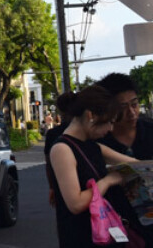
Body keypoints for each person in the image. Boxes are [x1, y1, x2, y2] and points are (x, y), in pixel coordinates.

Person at [49, 85, 141, 247]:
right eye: (109, 122)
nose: (110, 129)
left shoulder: (93, 146)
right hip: (81, 236)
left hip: (103, 233)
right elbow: (76, 204)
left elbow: (134, 163)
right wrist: (108, 181)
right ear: (91, 115)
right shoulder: (62, 149)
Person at [98, 72, 153, 159]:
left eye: (134, 104)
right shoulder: (99, 139)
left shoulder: (149, 130)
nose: (131, 112)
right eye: (123, 107)